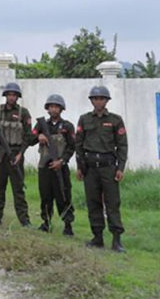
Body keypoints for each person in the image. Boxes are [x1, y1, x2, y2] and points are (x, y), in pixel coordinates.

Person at [75, 86, 128, 253]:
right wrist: (80, 167)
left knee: (112, 203)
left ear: (106, 101)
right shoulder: (84, 119)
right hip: (90, 168)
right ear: (91, 101)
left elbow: (122, 145)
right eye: (95, 98)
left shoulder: (115, 120)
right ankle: (97, 237)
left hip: (108, 167)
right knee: (93, 202)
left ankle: (116, 239)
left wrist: (120, 167)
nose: (98, 101)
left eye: (101, 98)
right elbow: (78, 144)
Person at [0, 82, 32, 227]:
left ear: (18, 97)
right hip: (0, 154)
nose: (11, 97)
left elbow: (28, 136)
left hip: (16, 154)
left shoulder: (23, 113)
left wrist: (21, 154)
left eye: (14, 95)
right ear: (5, 96)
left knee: (18, 189)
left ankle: (24, 220)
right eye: (9, 95)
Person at [28, 94, 75, 236]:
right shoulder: (42, 125)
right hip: (45, 167)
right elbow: (30, 139)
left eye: (56, 107)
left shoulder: (67, 126)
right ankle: (46, 222)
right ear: (47, 109)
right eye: (51, 107)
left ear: (61, 109)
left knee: (64, 195)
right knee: (46, 196)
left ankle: (68, 225)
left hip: (61, 167)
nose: (54, 109)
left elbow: (72, 147)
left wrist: (62, 161)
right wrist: (38, 136)